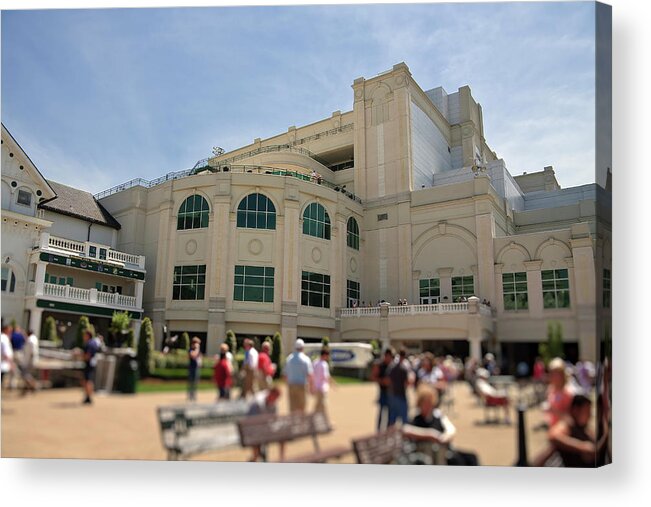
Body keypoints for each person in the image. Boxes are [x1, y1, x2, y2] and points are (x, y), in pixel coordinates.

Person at [402, 385, 479, 466]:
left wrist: (444, 437)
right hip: (424, 454)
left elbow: (451, 429)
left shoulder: (438, 415)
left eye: (429, 403)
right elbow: (406, 430)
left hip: (444, 451)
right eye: (425, 403)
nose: (427, 406)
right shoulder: (416, 417)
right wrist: (430, 435)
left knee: (470, 457)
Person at [548, 394, 609, 467]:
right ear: (576, 410)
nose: (589, 415)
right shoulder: (568, 424)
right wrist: (582, 447)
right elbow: (553, 436)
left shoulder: (583, 427)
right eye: (587, 411)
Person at [246, 387, 283, 461]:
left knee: (283, 436)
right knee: (257, 450)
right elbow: (252, 420)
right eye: (275, 397)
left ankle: (282, 460)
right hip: (253, 430)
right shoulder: (257, 402)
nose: (276, 400)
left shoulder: (273, 403)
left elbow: (274, 418)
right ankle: (256, 456)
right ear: (271, 394)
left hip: (264, 429)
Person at [283, 339, 313, 414]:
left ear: (295, 347)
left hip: (291, 385)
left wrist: (288, 384)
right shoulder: (306, 359)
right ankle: (301, 424)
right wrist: (311, 387)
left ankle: (293, 423)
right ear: (303, 348)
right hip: (302, 385)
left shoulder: (289, 358)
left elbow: (285, 375)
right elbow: (309, 374)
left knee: (292, 407)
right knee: (302, 407)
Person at [544, 357, 574, 428]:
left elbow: (571, 419)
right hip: (552, 427)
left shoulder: (568, 392)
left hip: (563, 430)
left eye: (555, 373)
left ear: (562, 374)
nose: (552, 376)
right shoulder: (550, 389)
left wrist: (554, 411)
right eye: (551, 372)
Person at [386, 348, 413, 427]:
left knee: (392, 418)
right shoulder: (404, 368)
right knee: (404, 419)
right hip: (401, 394)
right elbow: (407, 383)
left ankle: (390, 436)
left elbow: (388, 381)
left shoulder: (391, 367)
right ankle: (404, 436)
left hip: (392, 395)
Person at [370, 348, 394, 431]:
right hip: (383, 392)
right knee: (381, 413)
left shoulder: (393, 366)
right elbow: (373, 377)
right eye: (386, 356)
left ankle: (389, 431)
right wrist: (382, 381)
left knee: (391, 414)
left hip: (392, 393)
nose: (387, 358)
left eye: (389, 356)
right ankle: (378, 431)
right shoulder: (380, 365)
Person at [81, 326, 102, 405]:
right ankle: (88, 396)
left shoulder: (89, 344)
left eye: (84, 335)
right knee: (89, 381)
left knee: (87, 381)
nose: (83, 337)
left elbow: (88, 355)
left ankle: (88, 397)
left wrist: (81, 357)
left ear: (88, 335)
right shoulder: (93, 343)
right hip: (92, 364)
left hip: (89, 364)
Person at [312, 347, 332, 416]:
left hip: (316, 387)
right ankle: (324, 421)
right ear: (325, 355)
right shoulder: (324, 364)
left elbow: (312, 375)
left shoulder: (315, 363)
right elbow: (326, 376)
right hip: (322, 388)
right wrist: (332, 383)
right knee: (323, 405)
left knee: (318, 405)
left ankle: (314, 419)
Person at [187, 336, 202, 402]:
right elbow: (193, 356)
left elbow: (199, 358)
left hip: (196, 368)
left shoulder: (197, 350)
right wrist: (197, 349)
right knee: (191, 382)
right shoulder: (191, 350)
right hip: (192, 368)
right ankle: (190, 396)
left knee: (195, 382)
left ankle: (194, 395)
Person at [1, 322, 14, 389]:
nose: (11, 332)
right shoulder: (4, 339)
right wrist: (11, 363)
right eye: (10, 330)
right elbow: (5, 353)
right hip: (2, 364)